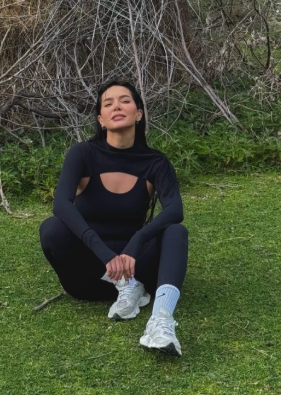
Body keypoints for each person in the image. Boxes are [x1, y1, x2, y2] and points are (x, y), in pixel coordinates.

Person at [39, 80, 189, 356]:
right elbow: (61, 205)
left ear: (138, 113)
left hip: (138, 266)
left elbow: (174, 210)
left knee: (176, 231)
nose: (117, 107)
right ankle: (125, 287)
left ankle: (161, 320)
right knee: (51, 229)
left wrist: (135, 244)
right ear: (101, 119)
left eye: (125, 101)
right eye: (108, 104)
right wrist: (106, 255)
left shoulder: (155, 162)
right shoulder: (83, 154)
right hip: (91, 276)